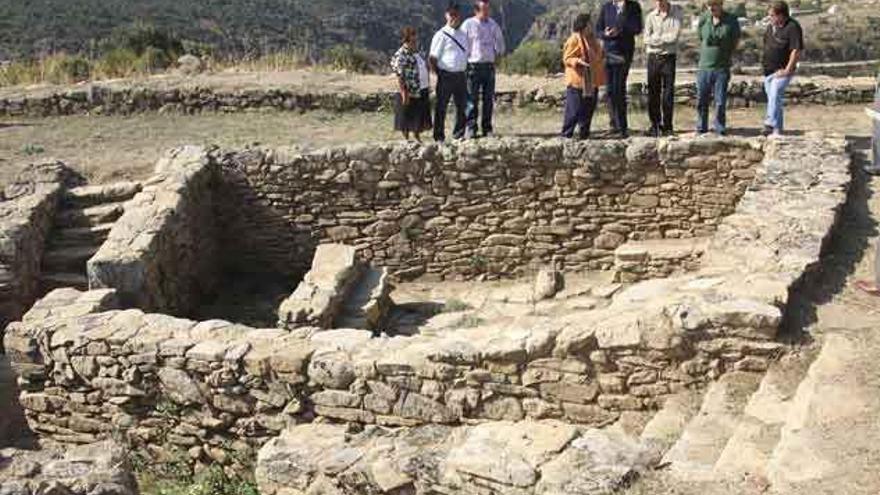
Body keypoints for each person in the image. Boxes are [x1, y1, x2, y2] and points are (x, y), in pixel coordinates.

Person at [596, 0, 643, 138]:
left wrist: (620, 30)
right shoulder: (606, 7)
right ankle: (613, 125)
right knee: (610, 90)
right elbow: (598, 29)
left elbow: (637, 28)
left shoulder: (633, 6)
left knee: (619, 89)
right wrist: (605, 33)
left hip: (624, 53)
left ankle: (622, 127)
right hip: (608, 53)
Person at [461, 0, 505, 139]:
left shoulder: (493, 25)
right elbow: (463, 44)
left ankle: (487, 128)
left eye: (488, 10)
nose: (486, 13)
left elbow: (500, 43)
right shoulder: (468, 24)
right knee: (471, 98)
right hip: (473, 65)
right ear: (476, 11)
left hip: (488, 66)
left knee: (488, 99)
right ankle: (471, 128)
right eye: (483, 10)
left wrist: (497, 56)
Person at [695, 0, 741, 136]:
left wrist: (726, 52)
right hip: (704, 66)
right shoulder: (704, 19)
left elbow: (735, 40)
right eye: (709, 5)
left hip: (721, 67)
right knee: (702, 99)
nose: (711, 8)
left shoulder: (731, 20)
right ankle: (701, 127)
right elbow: (700, 37)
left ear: (721, 4)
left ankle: (720, 127)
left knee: (720, 101)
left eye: (714, 5)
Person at [561, 13, 606, 140]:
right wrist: (577, 62)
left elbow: (598, 55)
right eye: (590, 23)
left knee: (588, 110)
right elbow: (567, 58)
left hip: (591, 81)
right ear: (584, 25)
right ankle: (566, 136)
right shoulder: (574, 39)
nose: (592, 26)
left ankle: (584, 136)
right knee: (573, 111)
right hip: (578, 81)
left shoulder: (593, 40)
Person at [761, 1, 803, 137]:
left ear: (781, 15)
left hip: (782, 70)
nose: (770, 18)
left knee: (774, 93)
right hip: (769, 70)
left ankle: (769, 123)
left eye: (772, 15)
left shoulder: (792, 27)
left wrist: (787, 70)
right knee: (775, 100)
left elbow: (796, 50)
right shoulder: (770, 28)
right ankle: (777, 131)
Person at [430, 3, 470, 142]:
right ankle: (438, 137)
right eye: (451, 15)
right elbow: (433, 58)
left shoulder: (463, 35)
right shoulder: (440, 35)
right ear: (446, 15)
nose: (454, 17)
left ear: (460, 16)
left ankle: (458, 135)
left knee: (462, 106)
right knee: (441, 107)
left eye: (456, 15)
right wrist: (440, 74)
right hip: (445, 75)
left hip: (460, 75)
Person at [643, 0, 683, 137]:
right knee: (653, 93)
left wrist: (656, 39)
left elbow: (674, 37)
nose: (659, 3)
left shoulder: (676, 14)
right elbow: (646, 39)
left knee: (668, 93)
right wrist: (662, 40)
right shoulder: (650, 17)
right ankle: (654, 125)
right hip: (653, 59)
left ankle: (668, 126)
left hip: (668, 58)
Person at [391, 27, 432, 141]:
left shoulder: (418, 52)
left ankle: (417, 135)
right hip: (410, 90)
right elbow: (399, 74)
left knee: (419, 113)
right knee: (407, 113)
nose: (415, 42)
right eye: (412, 40)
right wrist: (404, 92)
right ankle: (406, 138)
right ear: (406, 40)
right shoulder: (401, 54)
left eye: (415, 40)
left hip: (421, 87)